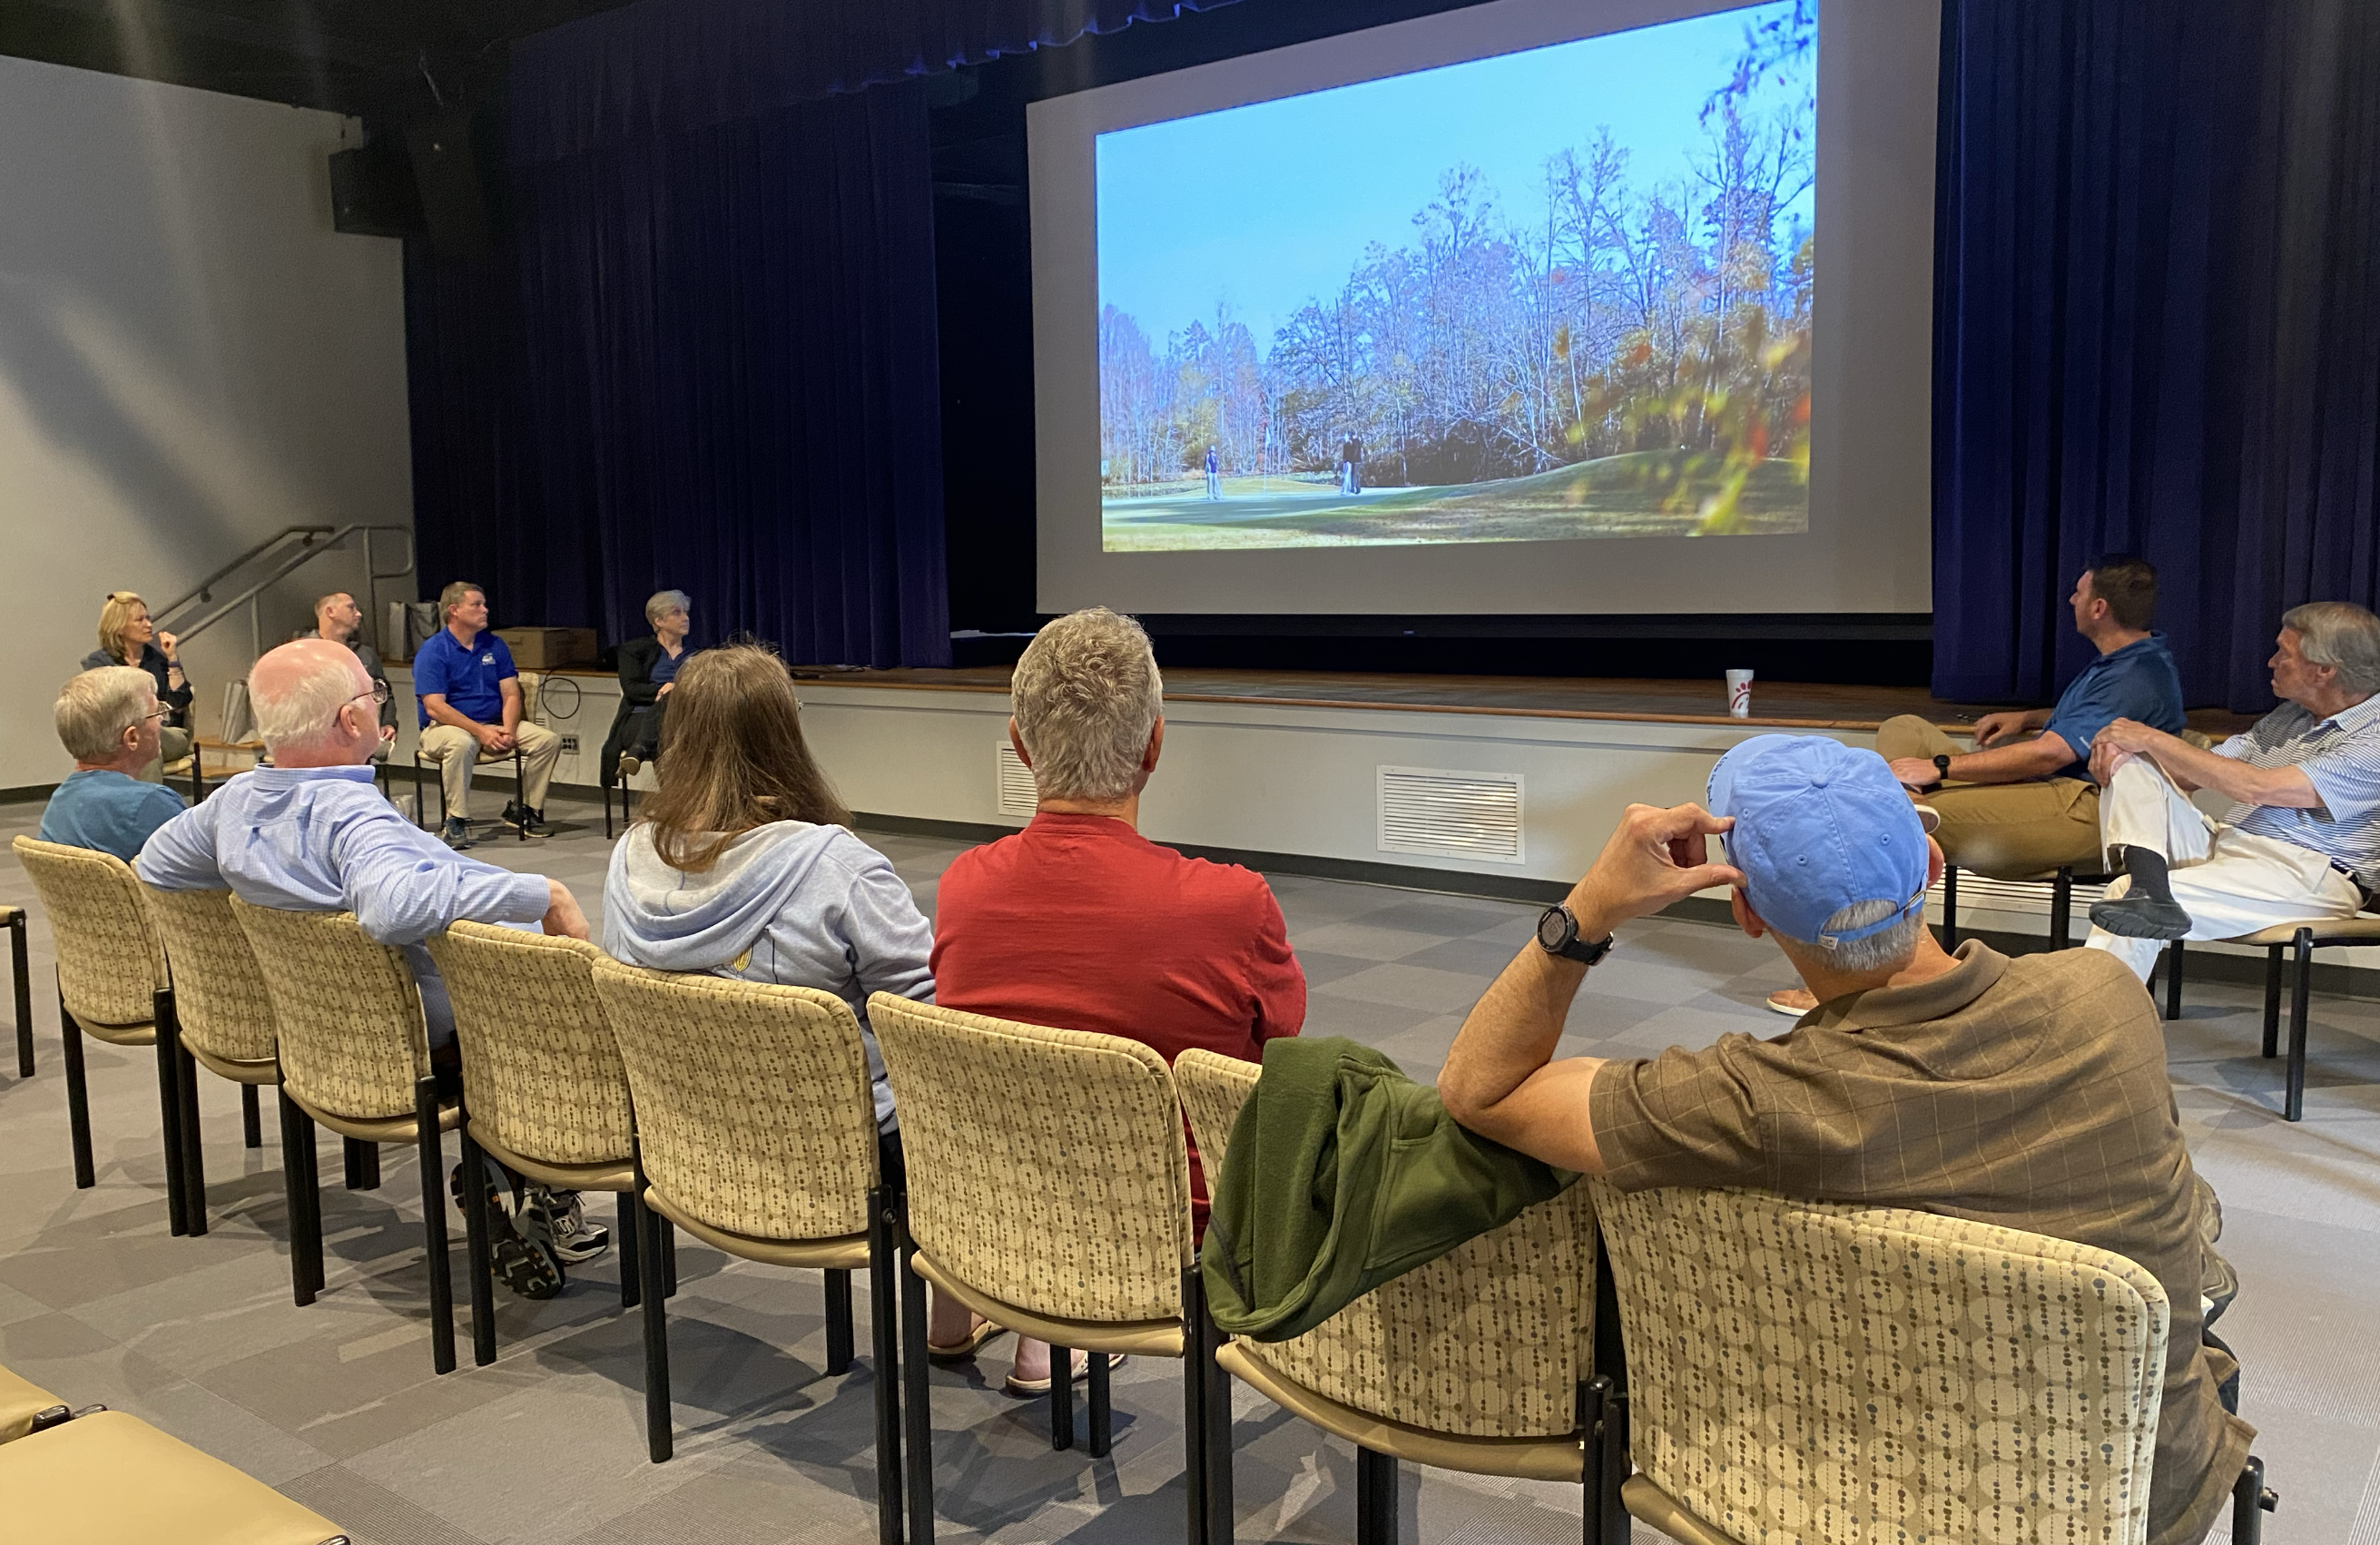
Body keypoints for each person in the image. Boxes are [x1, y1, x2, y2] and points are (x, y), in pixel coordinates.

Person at [1436, 735, 2250, 1545]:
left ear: (1746, 913)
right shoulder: (2104, 997)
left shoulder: (1749, 1103)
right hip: (2140, 1499)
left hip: (1828, 1497)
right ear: (1932, 865)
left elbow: (1482, 1088)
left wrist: (1591, 908)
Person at [136, 638, 605, 1297]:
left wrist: (260, 932)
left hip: (331, 1031)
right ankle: (533, 1176)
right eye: (371, 694)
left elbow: (154, 867)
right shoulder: (352, 814)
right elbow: (392, 907)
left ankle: (518, 1171)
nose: (377, 707)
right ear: (351, 722)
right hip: (456, 1021)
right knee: (603, 1024)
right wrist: (543, 894)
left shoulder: (235, 801)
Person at [927, 606, 1306, 1393]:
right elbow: (1278, 1051)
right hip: (1166, 1237)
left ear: (1020, 745)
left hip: (993, 1208)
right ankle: (1060, 1334)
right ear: (1155, 745)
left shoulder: (962, 888)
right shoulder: (1232, 906)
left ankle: (1033, 1319)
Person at [1768, 556, 2185, 1014]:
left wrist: (1940, 769)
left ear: (2100, 607)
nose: (2072, 599)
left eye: (2079, 593)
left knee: (1883, 830)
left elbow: (2050, 753)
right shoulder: (2127, 661)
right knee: (1904, 725)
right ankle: (1903, 803)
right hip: (2046, 785)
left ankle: (1851, 986)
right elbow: (2088, 719)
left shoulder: (2135, 674)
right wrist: (2029, 716)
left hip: (2080, 806)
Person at [604, 644, 931, 1131]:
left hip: (686, 1143)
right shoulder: (842, 871)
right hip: (835, 1151)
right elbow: (924, 1027)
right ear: (784, 734)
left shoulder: (628, 858)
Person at [2084, 601, 2380, 968]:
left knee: (2123, 894)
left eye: (2282, 653)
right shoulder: (2289, 717)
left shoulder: (2375, 737)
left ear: (2324, 670)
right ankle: (2151, 890)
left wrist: (2150, 738)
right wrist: (2121, 749)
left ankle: (2092, 1016)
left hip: (2306, 875)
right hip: (2229, 846)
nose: (2271, 662)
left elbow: (2260, 788)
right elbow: (2191, 775)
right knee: (2134, 762)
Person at [411, 581, 563, 849]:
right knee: (461, 742)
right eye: (476, 605)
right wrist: (480, 732)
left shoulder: (494, 645)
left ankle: (522, 808)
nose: (485, 609)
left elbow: (512, 694)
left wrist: (509, 730)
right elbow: (435, 706)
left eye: (484, 604)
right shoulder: (434, 651)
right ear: (454, 610)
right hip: (444, 728)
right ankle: (455, 820)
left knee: (547, 740)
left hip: (493, 723)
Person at [37, 667, 187, 861]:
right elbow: (209, 876)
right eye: (156, 713)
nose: (160, 721)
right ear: (132, 738)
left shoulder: (61, 801)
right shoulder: (150, 803)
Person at [81, 590, 193, 782]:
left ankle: (145, 809)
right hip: (122, 738)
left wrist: (172, 658)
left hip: (168, 735)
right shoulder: (99, 663)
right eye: (139, 620)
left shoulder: (157, 659)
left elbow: (178, 703)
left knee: (147, 742)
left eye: (148, 618)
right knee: (145, 753)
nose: (149, 625)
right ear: (119, 627)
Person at [602, 589, 694, 785]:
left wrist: (674, 692)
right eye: (677, 613)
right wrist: (664, 691)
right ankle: (675, 804)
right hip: (639, 718)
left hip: (683, 717)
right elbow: (632, 689)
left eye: (686, 612)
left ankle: (639, 750)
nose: (685, 618)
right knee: (668, 737)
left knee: (673, 723)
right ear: (658, 621)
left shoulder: (695, 653)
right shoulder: (634, 650)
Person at [310, 591, 395, 758]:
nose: (359, 613)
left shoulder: (365, 655)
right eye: (351, 607)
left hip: (358, 742)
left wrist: (388, 723)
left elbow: (384, 693)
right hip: (317, 741)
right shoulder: (305, 653)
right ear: (330, 612)